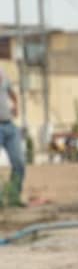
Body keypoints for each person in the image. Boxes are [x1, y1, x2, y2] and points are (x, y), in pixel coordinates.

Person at [0, 70, 25, 206]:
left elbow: (12, 93)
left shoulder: (3, 74)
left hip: (9, 125)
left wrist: (15, 106)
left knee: (19, 162)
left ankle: (13, 197)